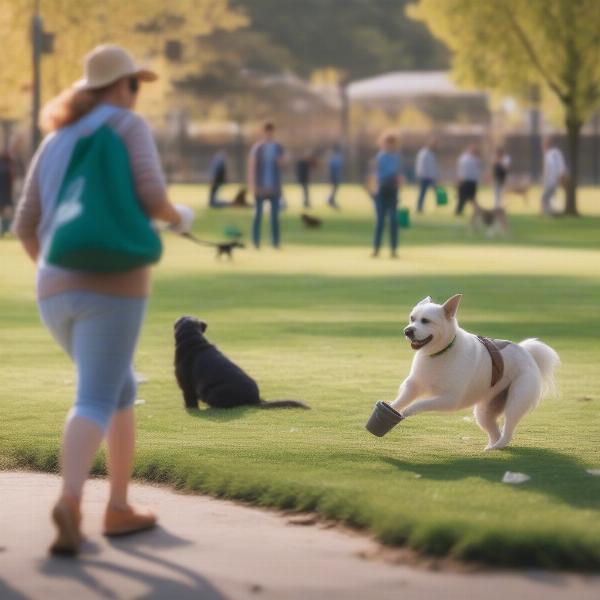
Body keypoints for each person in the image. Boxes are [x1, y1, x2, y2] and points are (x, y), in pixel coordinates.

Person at [12, 44, 193, 556]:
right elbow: (152, 197)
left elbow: (26, 224)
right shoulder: (127, 126)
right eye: (134, 85)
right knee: (95, 395)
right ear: (121, 86)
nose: (135, 96)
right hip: (112, 286)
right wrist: (181, 218)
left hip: (53, 289)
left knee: (119, 386)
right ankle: (71, 501)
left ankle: (118, 506)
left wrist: (59, 273)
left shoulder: (56, 139)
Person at [247, 121, 286, 248]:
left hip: (274, 187)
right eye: (267, 131)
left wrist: (279, 160)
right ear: (263, 132)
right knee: (258, 215)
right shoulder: (258, 148)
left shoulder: (278, 147)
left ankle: (275, 242)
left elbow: (282, 164)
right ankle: (255, 241)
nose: (269, 133)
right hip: (260, 186)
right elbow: (252, 167)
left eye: (271, 131)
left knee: (274, 216)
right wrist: (252, 186)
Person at [372, 132, 403, 258]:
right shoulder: (380, 157)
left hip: (392, 190)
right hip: (381, 190)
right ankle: (376, 248)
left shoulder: (396, 157)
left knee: (393, 220)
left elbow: (397, 174)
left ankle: (394, 249)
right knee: (380, 221)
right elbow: (376, 175)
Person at [541, 138, 567, 216]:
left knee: (545, 198)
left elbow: (550, 169)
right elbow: (561, 167)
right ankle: (549, 213)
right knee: (550, 197)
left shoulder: (549, 154)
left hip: (551, 181)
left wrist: (546, 180)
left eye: (543, 145)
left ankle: (550, 214)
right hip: (554, 180)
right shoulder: (557, 153)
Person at [456, 144, 481, 215]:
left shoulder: (476, 159)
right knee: (462, 197)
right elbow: (460, 168)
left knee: (472, 198)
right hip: (464, 180)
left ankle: (477, 212)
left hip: (472, 181)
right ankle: (458, 211)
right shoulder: (464, 158)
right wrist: (459, 178)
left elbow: (477, 170)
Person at [415, 137, 439, 213]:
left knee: (436, 192)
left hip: (431, 176)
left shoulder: (431, 153)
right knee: (422, 193)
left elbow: (432, 166)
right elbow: (421, 166)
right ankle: (419, 207)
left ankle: (438, 206)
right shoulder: (424, 153)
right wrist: (420, 175)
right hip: (424, 177)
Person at [0, 151, 14, 236]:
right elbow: (11, 182)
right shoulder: (8, 169)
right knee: (6, 212)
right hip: (6, 193)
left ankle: (3, 229)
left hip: (2, 192)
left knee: (2, 212)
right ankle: (5, 228)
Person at [327, 144, 343, 208]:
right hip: (335, 174)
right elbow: (336, 166)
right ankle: (331, 199)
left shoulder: (333, 156)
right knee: (335, 187)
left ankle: (331, 199)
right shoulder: (337, 156)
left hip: (334, 174)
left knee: (335, 187)